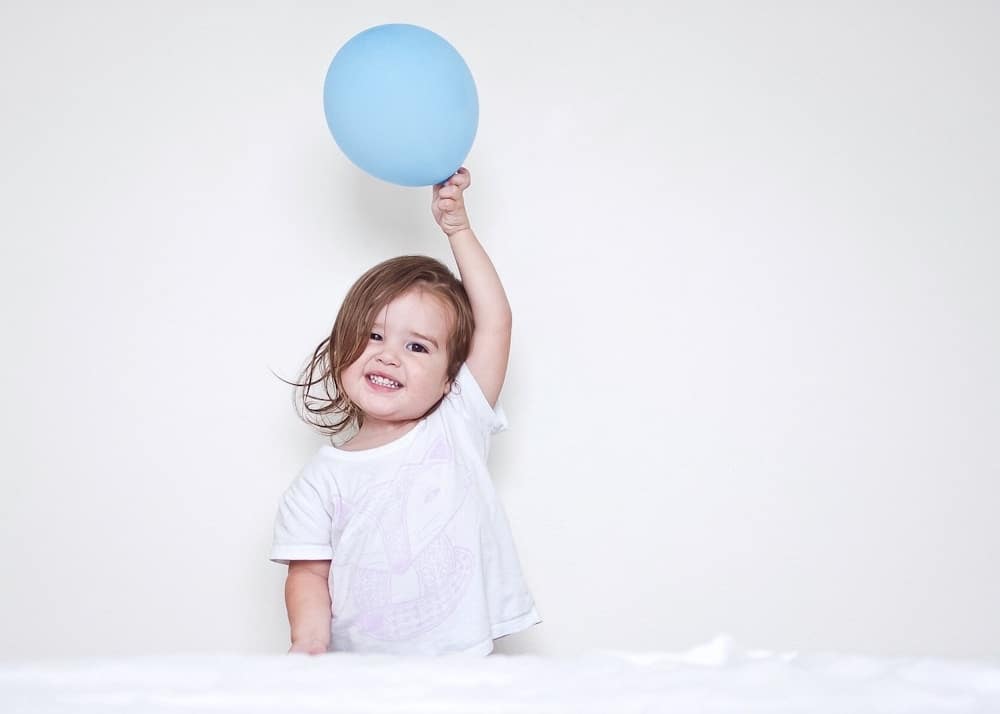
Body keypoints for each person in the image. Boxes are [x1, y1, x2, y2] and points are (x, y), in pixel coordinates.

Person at [270, 168, 540, 656]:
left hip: (462, 661)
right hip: (364, 672)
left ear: (448, 377)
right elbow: (308, 572)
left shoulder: (457, 420)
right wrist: (307, 650)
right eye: (374, 335)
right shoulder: (319, 481)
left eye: (417, 346)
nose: (389, 355)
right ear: (342, 346)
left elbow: (496, 322)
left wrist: (458, 229)